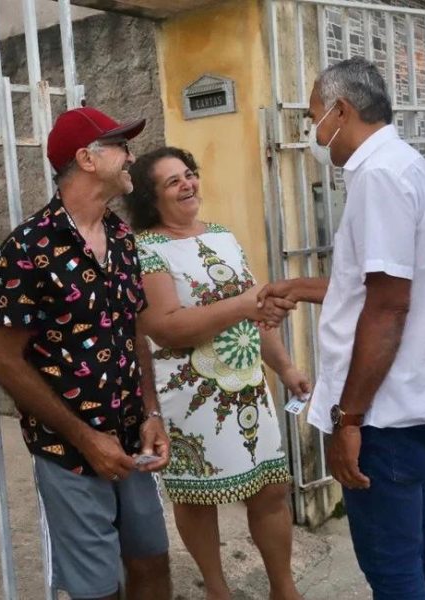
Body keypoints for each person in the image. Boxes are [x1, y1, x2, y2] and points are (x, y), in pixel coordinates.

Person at [259, 57, 425, 599]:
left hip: (384, 415)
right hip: (410, 405)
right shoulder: (405, 166)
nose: (312, 132)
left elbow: (389, 308)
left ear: (341, 110)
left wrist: (349, 419)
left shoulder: (378, 176)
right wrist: (303, 288)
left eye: (312, 117)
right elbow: (380, 287)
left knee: (394, 570)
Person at [0, 107, 172, 600]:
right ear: (87, 159)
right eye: (121, 146)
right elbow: (4, 360)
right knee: (96, 588)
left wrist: (151, 412)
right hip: (69, 450)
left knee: (152, 563)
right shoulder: (27, 247)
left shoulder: (123, 239)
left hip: (133, 438)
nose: (131, 156)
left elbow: (133, 331)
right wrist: (85, 438)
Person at [124, 146, 309, 600]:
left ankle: (283, 589)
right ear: (152, 198)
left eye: (189, 175)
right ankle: (216, 588)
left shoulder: (223, 235)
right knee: (196, 497)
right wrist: (246, 304)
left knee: (270, 487)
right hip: (189, 393)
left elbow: (256, 312)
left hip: (245, 385)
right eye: (173, 181)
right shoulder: (144, 249)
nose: (188, 185)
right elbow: (165, 328)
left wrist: (284, 367)